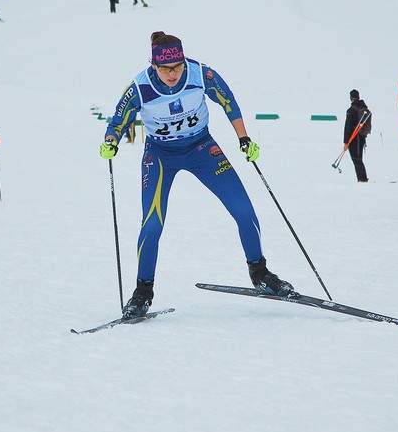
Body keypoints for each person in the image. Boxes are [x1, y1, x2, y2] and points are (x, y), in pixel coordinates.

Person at [99, 31, 293, 319]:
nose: (172, 74)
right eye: (164, 69)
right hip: (161, 155)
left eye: (177, 67)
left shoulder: (201, 74)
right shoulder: (139, 87)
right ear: (154, 66)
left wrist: (244, 138)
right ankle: (142, 292)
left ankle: (260, 273)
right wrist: (110, 140)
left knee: (243, 210)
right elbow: (118, 121)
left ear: (183, 60)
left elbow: (229, 102)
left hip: (202, 147)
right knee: (152, 224)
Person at [343, 89, 370, 183]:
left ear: (351, 98)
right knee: (359, 159)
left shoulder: (351, 110)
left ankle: (362, 179)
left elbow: (348, 127)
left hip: (354, 138)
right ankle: (362, 179)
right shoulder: (363, 108)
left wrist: (346, 142)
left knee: (356, 159)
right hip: (362, 137)